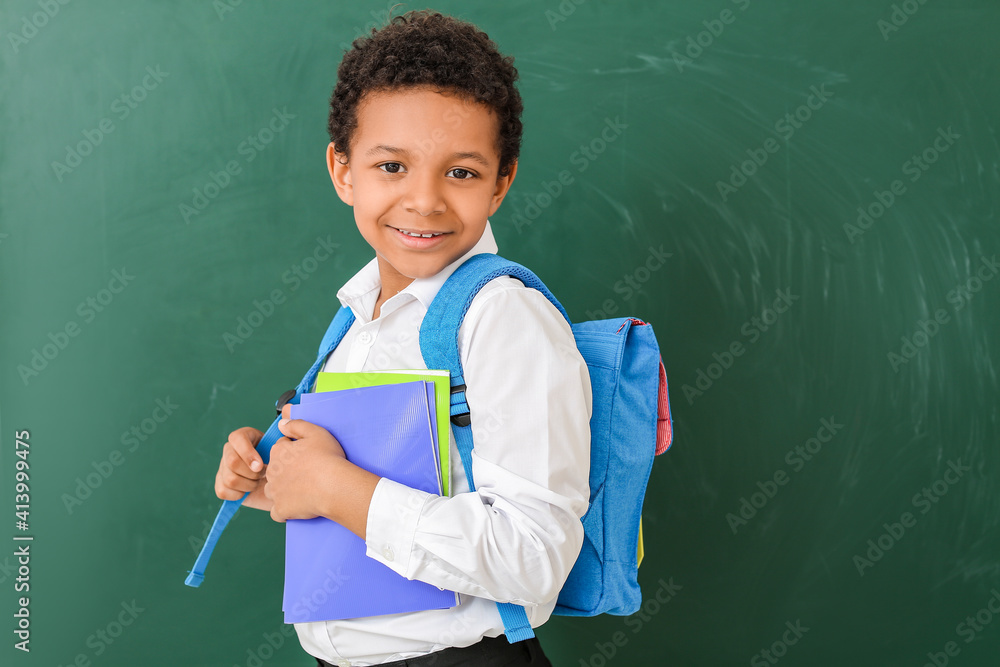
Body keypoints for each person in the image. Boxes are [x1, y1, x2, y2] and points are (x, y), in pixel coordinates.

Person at [214, 10, 592, 666]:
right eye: (392, 166)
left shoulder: (502, 318)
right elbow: (395, 489)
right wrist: (275, 480)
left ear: (502, 181)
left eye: (462, 173)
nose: (424, 200)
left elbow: (534, 556)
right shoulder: (358, 318)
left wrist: (336, 488)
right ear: (343, 171)